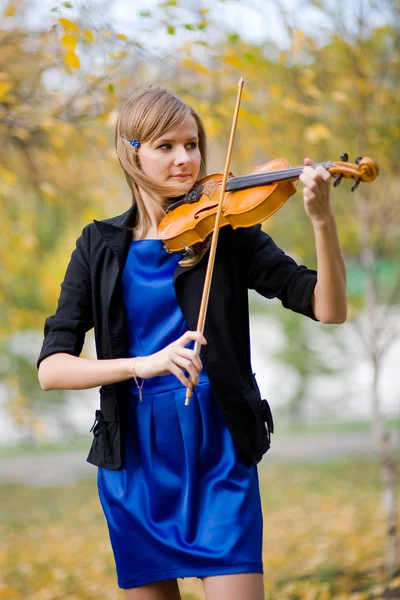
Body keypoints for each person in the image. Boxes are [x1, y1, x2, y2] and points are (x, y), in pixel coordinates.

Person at [37, 87, 347, 600]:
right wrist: (146, 363)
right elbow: (53, 369)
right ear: (131, 150)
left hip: (219, 449)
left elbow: (328, 308)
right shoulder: (98, 246)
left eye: (192, 144)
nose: (185, 159)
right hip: (136, 460)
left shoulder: (227, 228)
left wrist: (322, 221)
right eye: (166, 146)